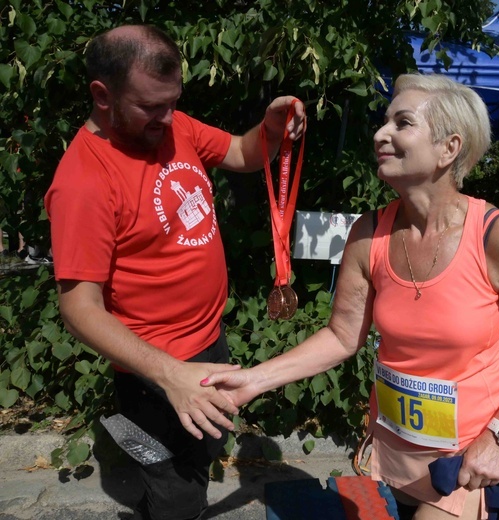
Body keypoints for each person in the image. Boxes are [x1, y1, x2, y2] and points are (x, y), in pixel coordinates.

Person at [202, 73, 499, 520]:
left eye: (403, 123)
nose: (381, 134)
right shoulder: (369, 231)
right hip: (397, 447)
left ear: (449, 149)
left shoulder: (498, 236)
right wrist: (254, 381)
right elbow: (341, 336)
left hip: (471, 452)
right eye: (384, 122)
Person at [44, 24, 304, 520]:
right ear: (102, 95)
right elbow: (78, 309)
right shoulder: (84, 181)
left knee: (198, 461)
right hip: (154, 372)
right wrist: (170, 375)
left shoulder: (173, 125)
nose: (168, 117)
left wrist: (271, 129)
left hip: (209, 345)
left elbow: (241, 153)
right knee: (177, 494)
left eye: (173, 101)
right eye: (150, 106)